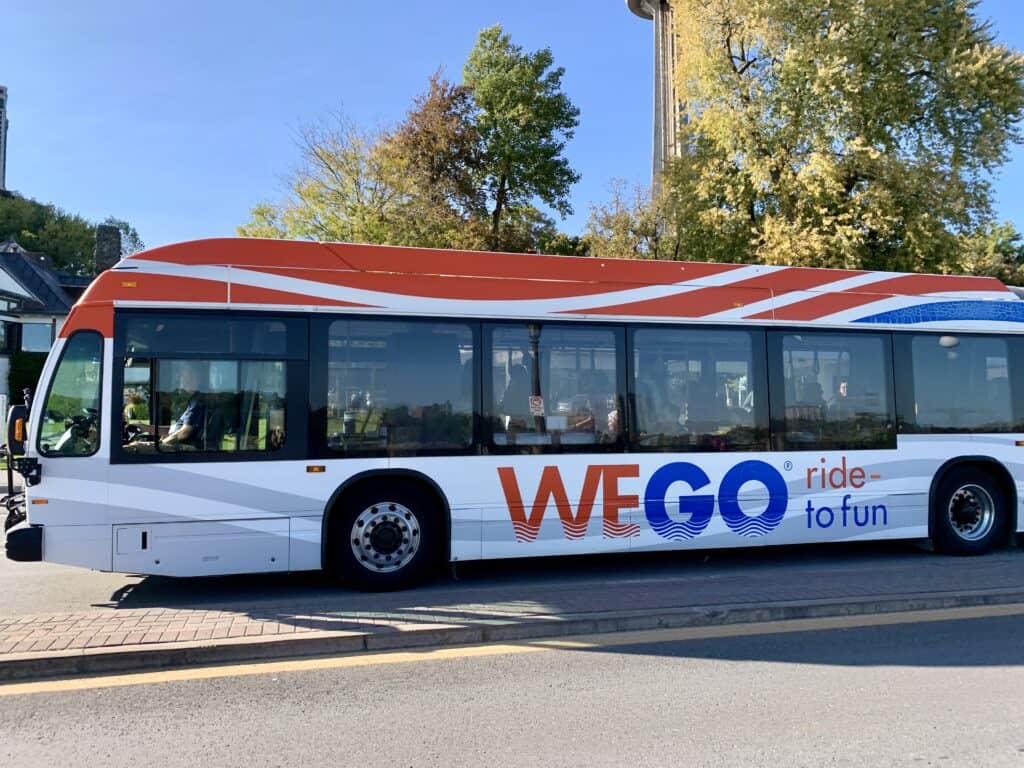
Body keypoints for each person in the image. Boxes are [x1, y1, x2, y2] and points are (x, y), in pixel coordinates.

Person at [161, 362, 207, 450]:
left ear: (198, 379)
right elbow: (175, 429)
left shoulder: (198, 402)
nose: (184, 380)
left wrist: (161, 445)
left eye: (189, 376)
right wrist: (146, 428)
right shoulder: (193, 400)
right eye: (183, 376)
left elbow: (184, 432)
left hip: (185, 448)